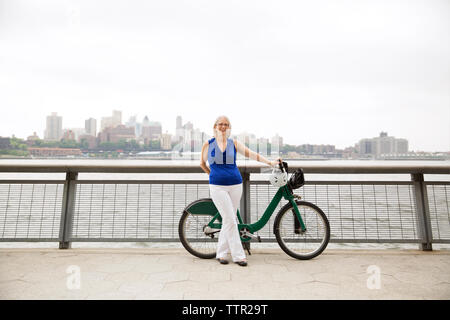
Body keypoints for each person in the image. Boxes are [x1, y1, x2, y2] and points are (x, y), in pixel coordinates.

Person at [200, 115, 281, 266]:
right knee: (231, 219)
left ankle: (222, 254)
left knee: (228, 220)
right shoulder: (208, 144)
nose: (223, 127)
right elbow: (202, 163)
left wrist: (270, 162)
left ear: (229, 127)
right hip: (217, 187)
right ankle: (238, 255)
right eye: (220, 124)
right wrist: (212, 174)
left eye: (226, 124)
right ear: (215, 127)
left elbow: (252, 154)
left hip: (236, 184)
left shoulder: (234, 144)